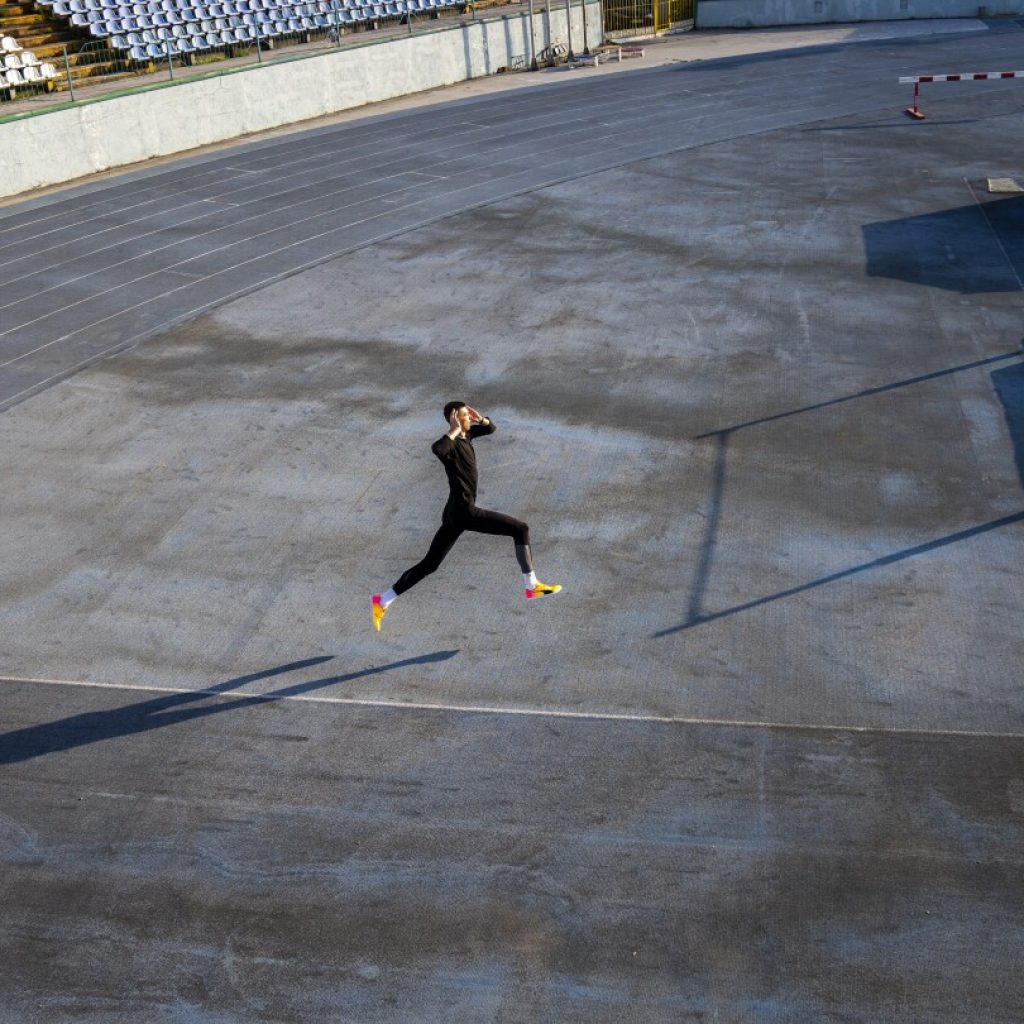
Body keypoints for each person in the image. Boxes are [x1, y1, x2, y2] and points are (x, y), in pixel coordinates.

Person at [372, 401, 561, 631]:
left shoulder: (466, 437)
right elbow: (437, 449)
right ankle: (531, 585)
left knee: (430, 564)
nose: (467, 418)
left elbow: (490, 429)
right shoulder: (450, 445)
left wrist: (479, 419)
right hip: (463, 511)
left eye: (467, 414)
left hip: (454, 512)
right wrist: (452, 430)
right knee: (520, 529)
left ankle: (383, 599)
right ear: (453, 420)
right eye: (463, 415)